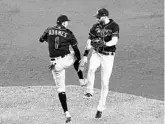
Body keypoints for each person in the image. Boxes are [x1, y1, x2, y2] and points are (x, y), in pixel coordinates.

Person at [39, 15, 87, 123]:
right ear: (64, 23)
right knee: (75, 54)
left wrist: (49, 40)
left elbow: (41, 39)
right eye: (67, 22)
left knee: (61, 90)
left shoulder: (49, 29)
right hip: (65, 60)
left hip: (54, 65)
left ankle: (67, 113)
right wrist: (80, 62)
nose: (67, 24)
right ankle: (81, 80)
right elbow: (76, 49)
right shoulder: (68, 33)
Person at [79, 8, 120, 118]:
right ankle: (89, 91)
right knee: (91, 69)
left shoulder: (114, 26)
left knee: (104, 82)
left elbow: (114, 41)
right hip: (96, 53)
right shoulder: (95, 27)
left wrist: (104, 44)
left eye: (99, 17)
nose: (97, 19)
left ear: (105, 16)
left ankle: (100, 107)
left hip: (108, 56)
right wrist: (85, 55)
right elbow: (89, 42)